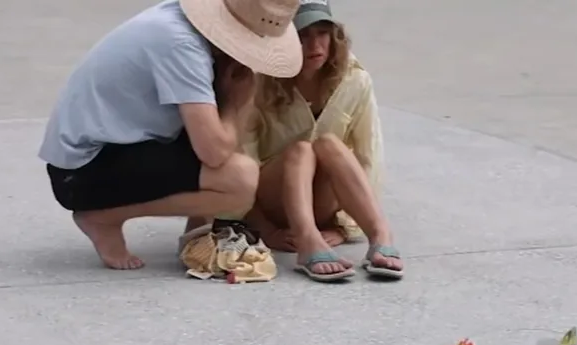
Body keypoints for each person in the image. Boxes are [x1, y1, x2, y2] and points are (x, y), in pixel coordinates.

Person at [38, 0, 303, 270]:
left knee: (223, 144)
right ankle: (102, 217)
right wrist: (238, 103)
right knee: (239, 179)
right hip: (80, 172)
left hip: (114, 147)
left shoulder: (182, 24)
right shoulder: (181, 45)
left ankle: (197, 232)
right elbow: (214, 152)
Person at [242, 0, 403, 282]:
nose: (315, 45)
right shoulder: (259, 81)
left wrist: (345, 227)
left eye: (323, 33)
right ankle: (307, 244)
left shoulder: (356, 79)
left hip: (323, 204)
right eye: (302, 35)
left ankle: (380, 233)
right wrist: (264, 230)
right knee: (302, 150)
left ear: (335, 35)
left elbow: (369, 155)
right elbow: (242, 161)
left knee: (330, 144)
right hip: (273, 199)